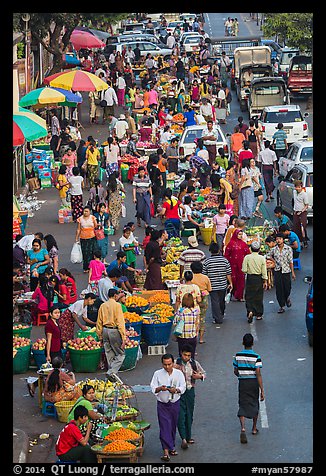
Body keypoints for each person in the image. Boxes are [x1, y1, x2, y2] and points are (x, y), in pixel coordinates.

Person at [150, 353, 186, 462]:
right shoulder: (157, 374)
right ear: (162, 364)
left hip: (175, 403)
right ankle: (166, 451)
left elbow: (183, 386)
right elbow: (153, 387)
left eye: (169, 364)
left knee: (172, 425)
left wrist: (176, 390)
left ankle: (171, 447)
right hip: (162, 404)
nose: (167, 367)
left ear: (173, 363)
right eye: (165, 365)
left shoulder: (179, 374)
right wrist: (160, 388)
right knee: (164, 426)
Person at [233, 333, 264, 444]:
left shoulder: (237, 356)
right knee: (254, 403)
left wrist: (241, 375)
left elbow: (235, 371)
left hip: (243, 382)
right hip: (253, 383)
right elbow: (258, 373)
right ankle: (254, 428)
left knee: (243, 403)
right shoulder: (257, 357)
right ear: (252, 343)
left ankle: (243, 428)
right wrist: (262, 390)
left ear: (243, 343)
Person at [174, 344, 206, 449]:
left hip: (190, 391)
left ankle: (188, 436)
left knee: (189, 413)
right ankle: (183, 438)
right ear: (181, 354)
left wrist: (199, 376)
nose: (186, 357)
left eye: (188, 355)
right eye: (184, 355)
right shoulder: (175, 363)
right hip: (179, 392)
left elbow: (203, 373)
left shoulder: (194, 364)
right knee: (181, 415)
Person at [96, 288, 126, 379]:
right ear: (115, 296)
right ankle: (112, 372)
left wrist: (99, 335)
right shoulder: (117, 306)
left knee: (109, 353)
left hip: (105, 330)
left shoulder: (103, 305)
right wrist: (123, 337)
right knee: (121, 354)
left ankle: (113, 376)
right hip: (114, 331)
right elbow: (120, 322)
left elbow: (99, 322)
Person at [265, 232, 296, 313]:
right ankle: (281, 306)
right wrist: (273, 261)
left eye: (280, 239)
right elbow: (268, 256)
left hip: (286, 270)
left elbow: (291, 261)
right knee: (279, 288)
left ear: (283, 240)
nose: (278, 240)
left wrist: (292, 272)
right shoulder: (274, 249)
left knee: (287, 287)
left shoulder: (288, 249)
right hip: (277, 270)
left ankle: (287, 297)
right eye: (277, 239)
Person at [203, 242, 233, 324]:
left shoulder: (207, 262)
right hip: (223, 285)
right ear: (219, 250)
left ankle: (217, 318)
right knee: (221, 301)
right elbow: (228, 273)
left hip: (212, 285)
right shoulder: (224, 260)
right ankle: (221, 314)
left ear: (210, 250)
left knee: (215, 301)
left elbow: (204, 275)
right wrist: (230, 283)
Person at [242, 241, 268, 322]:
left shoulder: (247, 257)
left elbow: (244, 270)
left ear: (250, 249)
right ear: (259, 249)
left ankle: (250, 311)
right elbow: (264, 271)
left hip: (250, 278)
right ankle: (259, 314)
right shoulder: (262, 258)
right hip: (259, 278)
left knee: (249, 296)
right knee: (258, 296)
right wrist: (265, 281)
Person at [224, 229, 251, 302]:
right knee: (233, 280)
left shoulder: (243, 244)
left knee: (241, 281)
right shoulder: (231, 244)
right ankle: (232, 293)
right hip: (232, 265)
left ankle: (240, 296)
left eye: (241, 234)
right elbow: (226, 255)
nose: (240, 236)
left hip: (241, 265)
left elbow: (248, 254)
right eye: (239, 234)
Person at [190, 261, 212, 345]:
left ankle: (193, 336)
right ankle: (201, 338)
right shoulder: (205, 277)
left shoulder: (191, 277)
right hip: (204, 298)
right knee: (202, 318)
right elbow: (209, 289)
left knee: (194, 318)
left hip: (193, 298)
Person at [173, 293, 200, 359]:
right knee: (191, 356)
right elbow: (197, 323)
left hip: (182, 337)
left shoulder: (180, 311)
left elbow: (175, 322)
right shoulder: (195, 311)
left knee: (182, 356)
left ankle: (182, 368)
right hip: (192, 337)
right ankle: (191, 367)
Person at [75, 206, 98, 273]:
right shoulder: (80, 219)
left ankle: (93, 267)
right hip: (83, 238)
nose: (85, 213)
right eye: (84, 211)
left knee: (92, 252)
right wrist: (77, 238)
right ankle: (86, 267)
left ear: (90, 212)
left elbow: (96, 226)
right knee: (85, 253)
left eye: (87, 211)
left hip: (92, 237)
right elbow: (78, 229)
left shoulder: (93, 218)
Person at [292, 179, 309, 248]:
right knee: (296, 227)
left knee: (302, 227)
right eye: (296, 187)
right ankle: (299, 241)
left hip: (302, 212)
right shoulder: (294, 192)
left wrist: (301, 211)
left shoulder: (304, 194)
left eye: (299, 187)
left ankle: (304, 240)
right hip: (296, 211)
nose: (297, 189)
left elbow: (306, 205)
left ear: (301, 187)